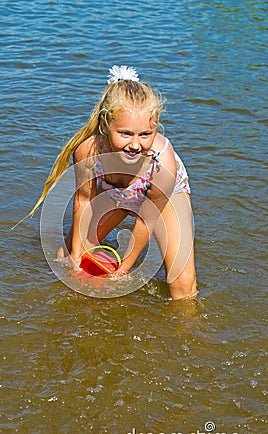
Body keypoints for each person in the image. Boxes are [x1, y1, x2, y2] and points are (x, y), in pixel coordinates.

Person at [24, 65, 198, 300]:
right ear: (106, 126)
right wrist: (76, 255)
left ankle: (185, 330)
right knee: (64, 258)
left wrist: (125, 269)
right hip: (116, 194)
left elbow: (147, 217)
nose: (135, 145)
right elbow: (83, 200)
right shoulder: (88, 151)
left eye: (145, 135)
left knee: (182, 286)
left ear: (155, 128)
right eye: (125, 134)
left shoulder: (161, 161)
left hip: (161, 200)